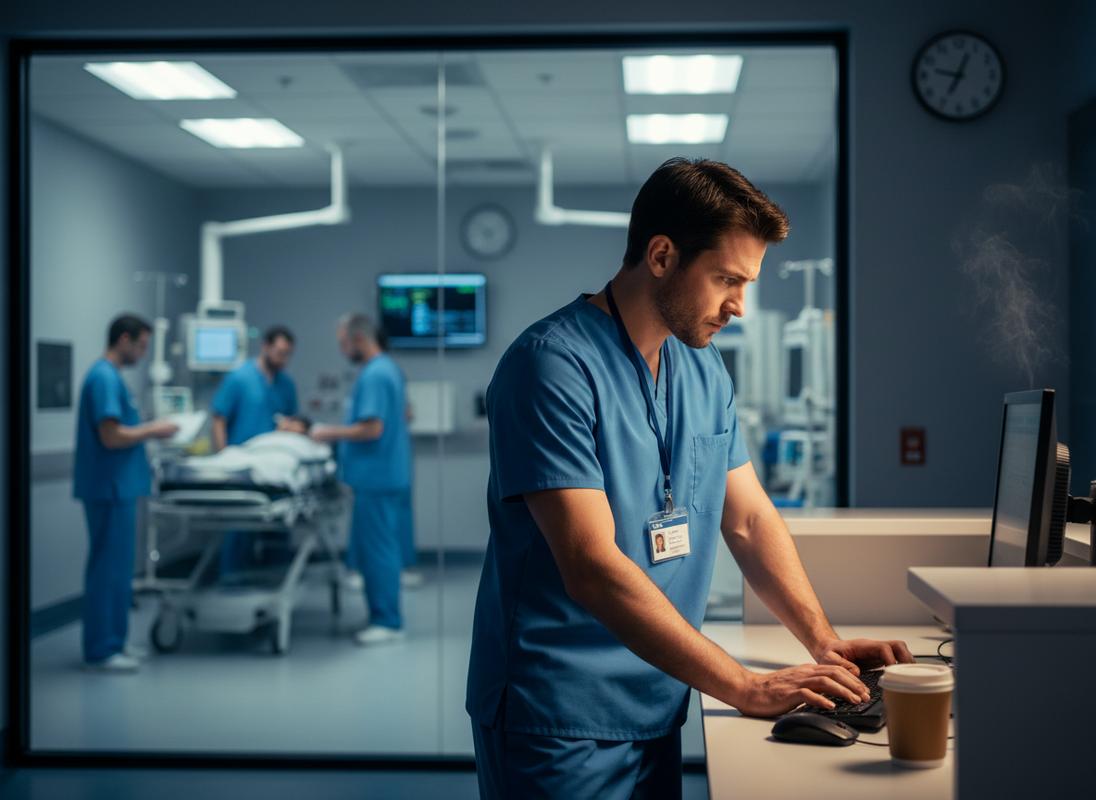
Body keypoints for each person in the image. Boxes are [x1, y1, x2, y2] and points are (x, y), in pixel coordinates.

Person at [466, 158, 915, 797]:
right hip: (560, 719)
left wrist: (825, 643)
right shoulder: (550, 369)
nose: (738, 305)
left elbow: (750, 519)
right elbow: (590, 565)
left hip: (660, 695)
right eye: (726, 279)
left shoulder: (702, 371)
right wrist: (743, 684)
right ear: (660, 255)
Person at [74, 314, 179, 672]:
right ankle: (102, 649)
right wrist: (153, 429)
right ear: (124, 339)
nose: (143, 353)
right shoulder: (103, 377)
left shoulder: (112, 378)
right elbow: (111, 436)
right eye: (142, 345)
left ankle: (114, 641)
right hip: (109, 487)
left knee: (118, 571)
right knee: (108, 570)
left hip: (117, 487)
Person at [312, 313, 412, 645]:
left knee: (378, 552)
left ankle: (387, 621)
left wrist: (326, 433)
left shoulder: (375, 374)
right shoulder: (387, 370)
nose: (342, 350)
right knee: (379, 549)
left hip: (377, 478)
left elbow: (372, 428)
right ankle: (385, 616)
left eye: (343, 342)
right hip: (384, 474)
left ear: (358, 339)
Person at [211, 325, 301, 578]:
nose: (284, 359)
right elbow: (219, 418)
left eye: (288, 355)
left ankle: (274, 579)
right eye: (280, 352)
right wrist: (223, 459)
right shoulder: (240, 378)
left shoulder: (286, 384)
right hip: (242, 468)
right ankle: (232, 580)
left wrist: (290, 427)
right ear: (265, 346)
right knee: (240, 530)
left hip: (274, 469)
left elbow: (293, 420)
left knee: (279, 529)